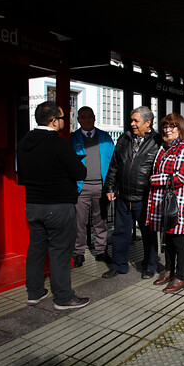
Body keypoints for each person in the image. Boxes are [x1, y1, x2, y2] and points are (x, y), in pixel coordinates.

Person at [16, 101, 89, 310]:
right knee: (60, 252)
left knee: (36, 249)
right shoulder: (60, 144)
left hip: (33, 205)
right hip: (58, 206)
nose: (65, 122)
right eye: (63, 118)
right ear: (54, 120)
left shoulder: (23, 143)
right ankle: (64, 297)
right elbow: (79, 173)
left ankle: (35, 292)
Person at [102, 106, 163, 280]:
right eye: (132, 120)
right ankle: (118, 265)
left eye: (136, 120)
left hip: (145, 198)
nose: (132, 124)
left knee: (148, 234)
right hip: (123, 197)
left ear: (148, 122)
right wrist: (110, 187)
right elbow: (114, 165)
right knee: (120, 233)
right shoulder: (125, 138)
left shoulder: (158, 142)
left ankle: (150, 265)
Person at [148, 113, 184, 293]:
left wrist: (154, 180)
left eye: (172, 127)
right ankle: (169, 270)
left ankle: (181, 277)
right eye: (165, 126)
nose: (167, 130)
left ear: (180, 129)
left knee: (179, 240)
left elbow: (180, 177)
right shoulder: (165, 148)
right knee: (168, 238)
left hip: (179, 204)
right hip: (166, 203)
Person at [70, 106, 115, 267]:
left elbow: (114, 162)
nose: (87, 119)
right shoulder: (72, 138)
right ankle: (79, 252)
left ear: (94, 118)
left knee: (101, 221)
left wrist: (111, 186)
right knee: (79, 223)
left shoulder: (105, 137)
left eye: (90, 116)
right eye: (83, 117)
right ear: (78, 119)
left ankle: (101, 251)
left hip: (101, 187)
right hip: (80, 187)